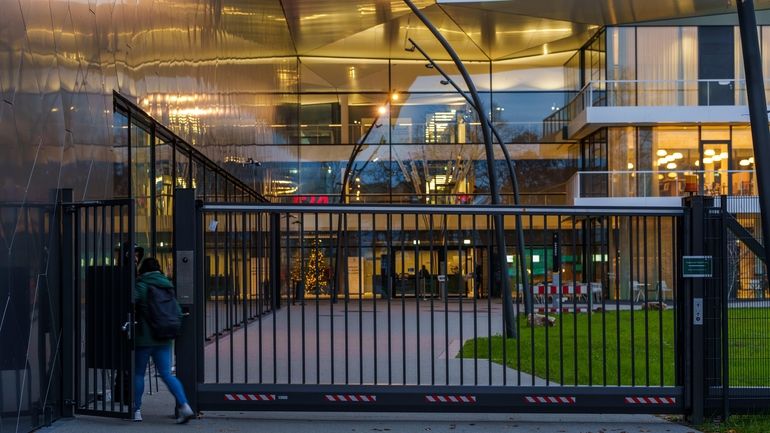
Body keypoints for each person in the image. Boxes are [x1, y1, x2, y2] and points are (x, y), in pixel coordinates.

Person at [133, 257, 194, 424]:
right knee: (167, 374)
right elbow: (177, 310)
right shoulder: (167, 285)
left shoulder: (142, 285)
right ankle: (184, 406)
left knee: (138, 374)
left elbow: (129, 299)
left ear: (142, 269)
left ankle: (136, 410)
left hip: (144, 338)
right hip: (164, 337)